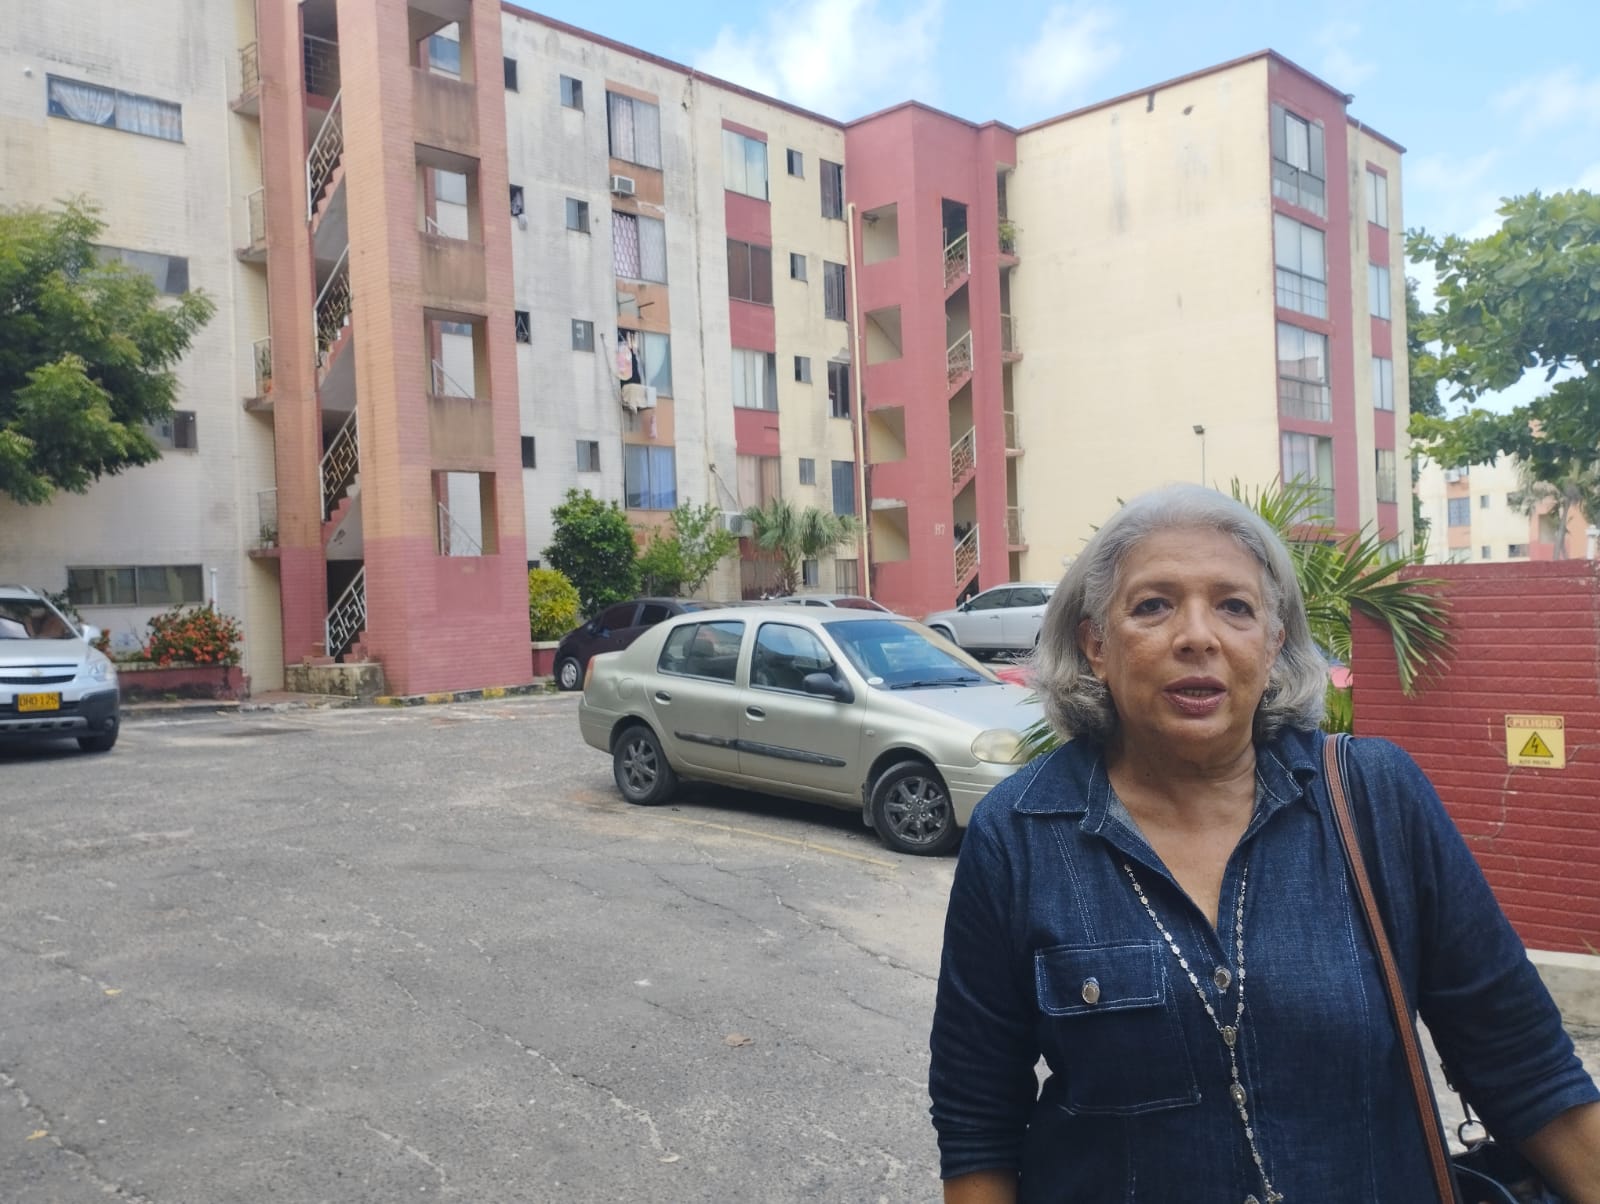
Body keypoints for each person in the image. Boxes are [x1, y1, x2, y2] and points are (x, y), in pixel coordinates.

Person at [929, 484, 1600, 1203]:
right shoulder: (1019, 834)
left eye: (1235, 606)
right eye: (1153, 605)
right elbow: (979, 1123)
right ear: (1096, 644)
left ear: (1273, 644)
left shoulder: (1376, 800)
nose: (1197, 636)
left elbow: (1525, 1065)